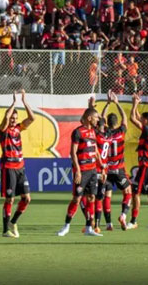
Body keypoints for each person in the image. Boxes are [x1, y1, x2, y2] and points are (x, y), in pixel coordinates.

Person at [57, 96, 104, 237]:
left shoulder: (93, 132)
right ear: (89, 118)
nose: (98, 120)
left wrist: (100, 163)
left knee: (91, 198)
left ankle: (89, 228)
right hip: (82, 171)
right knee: (77, 198)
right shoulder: (78, 132)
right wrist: (77, 170)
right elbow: (72, 152)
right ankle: (66, 226)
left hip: (93, 170)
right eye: (95, 118)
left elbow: (95, 149)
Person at [0, 90, 36, 238]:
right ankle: (5, 230)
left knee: (27, 199)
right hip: (8, 168)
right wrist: (13, 103)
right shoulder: (2, 130)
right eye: (12, 118)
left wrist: (24, 101)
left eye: (15, 118)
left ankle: (13, 222)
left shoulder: (19, 128)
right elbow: (6, 117)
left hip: (20, 168)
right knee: (10, 199)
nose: (13, 120)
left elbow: (32, 118)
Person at [100, 90, 132, 231]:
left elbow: (101, 117)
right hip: (118, 169)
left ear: (107, 122)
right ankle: (124, 215)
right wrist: (117, 103)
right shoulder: (121, 133)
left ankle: (108, 224)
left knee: (107, 194)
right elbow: (125, 118)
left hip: (106, 169)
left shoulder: (104, 133)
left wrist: (107, 103)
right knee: (128, 192)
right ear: (117, 122)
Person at [128, 92, 148, 230]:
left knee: (136, 193)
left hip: (145, 166)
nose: (140, 120)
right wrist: (137, 105)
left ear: (146, 121)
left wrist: (135, 104)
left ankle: (134, 221)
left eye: (142, 119)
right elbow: (137, 118)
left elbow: (132, 118)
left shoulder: (147, 130)